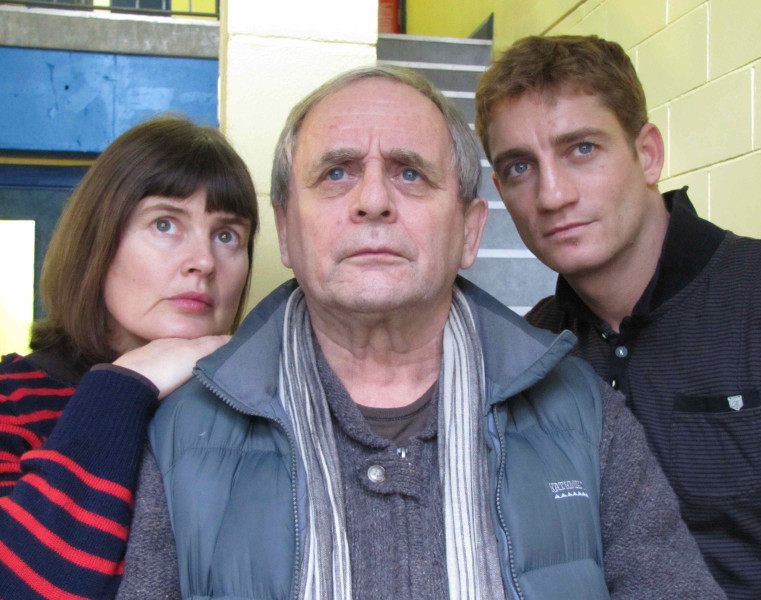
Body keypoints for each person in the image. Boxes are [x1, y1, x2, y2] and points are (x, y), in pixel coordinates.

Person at [126, 65, 723, 599]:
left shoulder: (580, 410)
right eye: (337, 172)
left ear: (468, 230)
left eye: (410, 173)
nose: (374, 201)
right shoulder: (186, 429)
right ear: (285, 230)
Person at [475, 34, 761, 600]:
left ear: (647, 154)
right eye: (521, 167)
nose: (552, 195)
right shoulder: (533, 353)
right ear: (501, 190)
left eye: (581, 149)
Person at [0, 116, 259, 600]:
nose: (203, 261)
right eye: (165, 224)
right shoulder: (12, 401)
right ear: (98, 243)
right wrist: (121, 389)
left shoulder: (259, 414)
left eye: (227, 235)